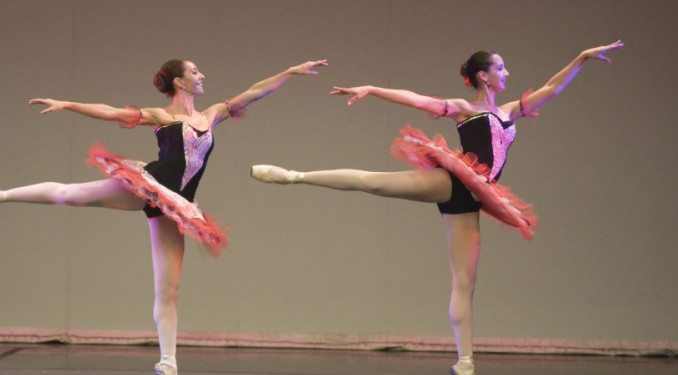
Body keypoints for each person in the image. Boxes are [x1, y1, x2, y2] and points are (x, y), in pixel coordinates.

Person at [250, 41, 622, 375]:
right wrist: (372, 89)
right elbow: (417, 99)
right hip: (455, 181)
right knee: (374, 182)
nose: (507, 72)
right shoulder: (464, 108)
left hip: (477, 196)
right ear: (484, 76)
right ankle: (294, 176)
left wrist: (580, 58)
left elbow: (551, 89)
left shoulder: (509, 111)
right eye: (501, 67)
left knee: (465, 282)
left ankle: (466, 362)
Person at [0, 58, 328, 375]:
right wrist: (67, 103)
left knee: (168, 289)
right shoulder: (161, 116)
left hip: (178, 205)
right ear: (179, 81)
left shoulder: (212, 114)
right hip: (148, 186)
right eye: (195, 71)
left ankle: (168, 362)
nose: (202, 75)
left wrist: (291, 72)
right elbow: (111, 112)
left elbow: (254, 92)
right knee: (71, 194)